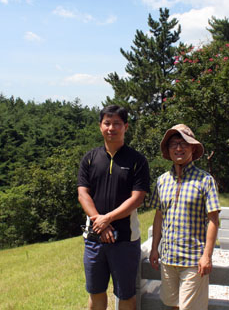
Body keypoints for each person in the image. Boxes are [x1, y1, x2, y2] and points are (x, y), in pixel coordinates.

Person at [77, 105, 150, 310]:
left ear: (126, 127)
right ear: (100, 126)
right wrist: (100, 222)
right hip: (94, 239)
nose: (111, 128)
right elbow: (83, 194)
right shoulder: (90, 158)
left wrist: (107, 219)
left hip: (125, 239)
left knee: (126, 295)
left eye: (117, 123)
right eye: (107, 123)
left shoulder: (137, 161)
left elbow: (137, 198)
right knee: (96, 292)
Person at [149, 124, 221, 310]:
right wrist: (154, 248)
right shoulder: (162, 181)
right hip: (168, 257)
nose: (179, 148)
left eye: (184, 143)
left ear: (193, 148)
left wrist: (207, 255)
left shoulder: (205, 180)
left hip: (193, 259)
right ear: (168, 149)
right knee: (172, 304)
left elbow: (213, 220)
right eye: (174, 144)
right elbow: (159, 216)